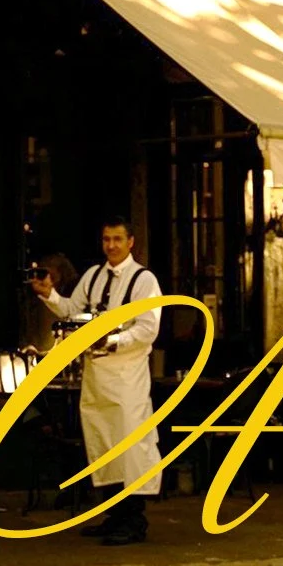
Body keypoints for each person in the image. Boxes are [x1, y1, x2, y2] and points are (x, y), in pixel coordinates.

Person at [31, 216, 163, 545]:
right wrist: (50, 295)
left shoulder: (144, 281)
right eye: (106, 239)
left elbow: (148, 328)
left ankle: (134, 519)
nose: (111, 246)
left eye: (117, 239)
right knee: (103, 443)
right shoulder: (93, 276)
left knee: (128, 443)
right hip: (96, 375)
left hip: (127, 376)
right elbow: (71, 311)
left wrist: (112, 341)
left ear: (131, 242)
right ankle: (114, 513)